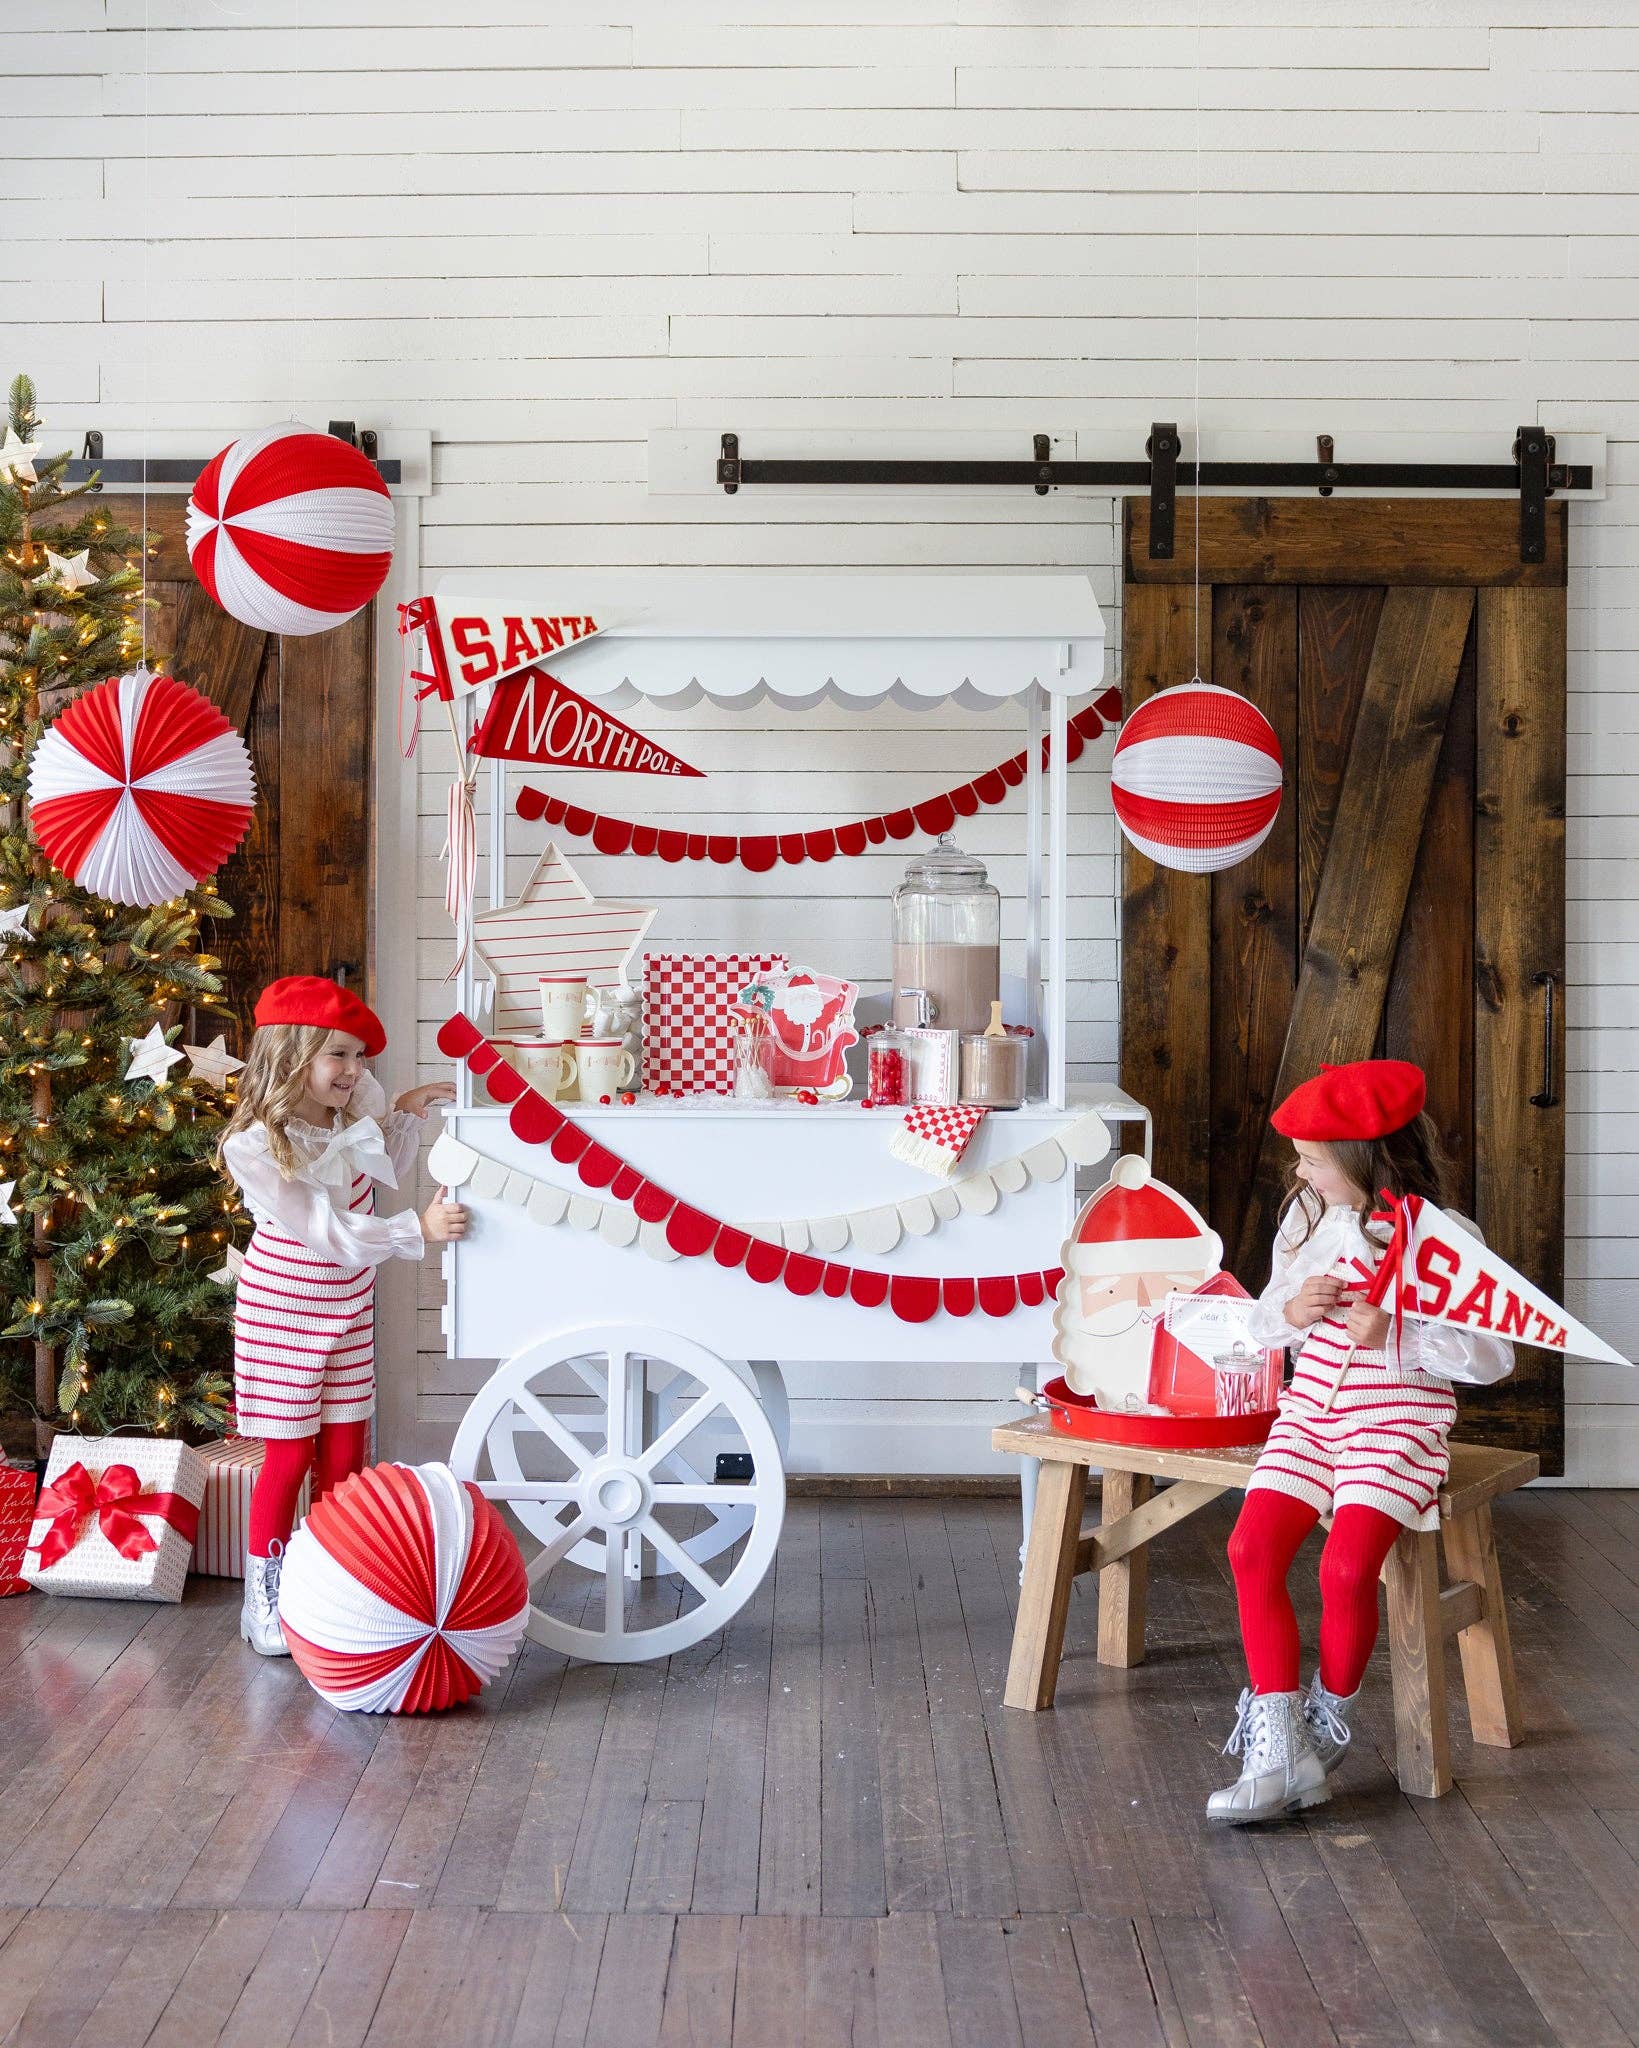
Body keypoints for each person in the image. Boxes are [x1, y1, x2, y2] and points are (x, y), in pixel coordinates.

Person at [1207, 1059, 1512, 1824]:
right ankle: (1275, 1740)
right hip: (1310, 1415)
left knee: (1347, 1566)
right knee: (1250, 1549)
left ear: (1361, 1157)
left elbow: (1492, 1358)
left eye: (1312, 1158)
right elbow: (1260, 1323)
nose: (1298, 1171)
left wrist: (1400, 1332)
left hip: (1396, 1420)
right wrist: (1295, 1310)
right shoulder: (1303, 1221)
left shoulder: (1446, 1240)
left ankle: (1323, 1721)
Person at [218, 976, 467, 1655]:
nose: (354, 1071)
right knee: (289, 1454)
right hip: (283, 1309)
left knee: (344, 1453)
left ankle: (337, 1581)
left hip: (348, 1303)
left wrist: (405, 1115)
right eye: (338, 1056)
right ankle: (263, 1598)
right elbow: (331, 1230)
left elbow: (379, 1164)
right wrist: (415, 1229)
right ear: (292, 1054)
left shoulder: (355, 1110)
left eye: (359, 1056)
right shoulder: (256, 1147)